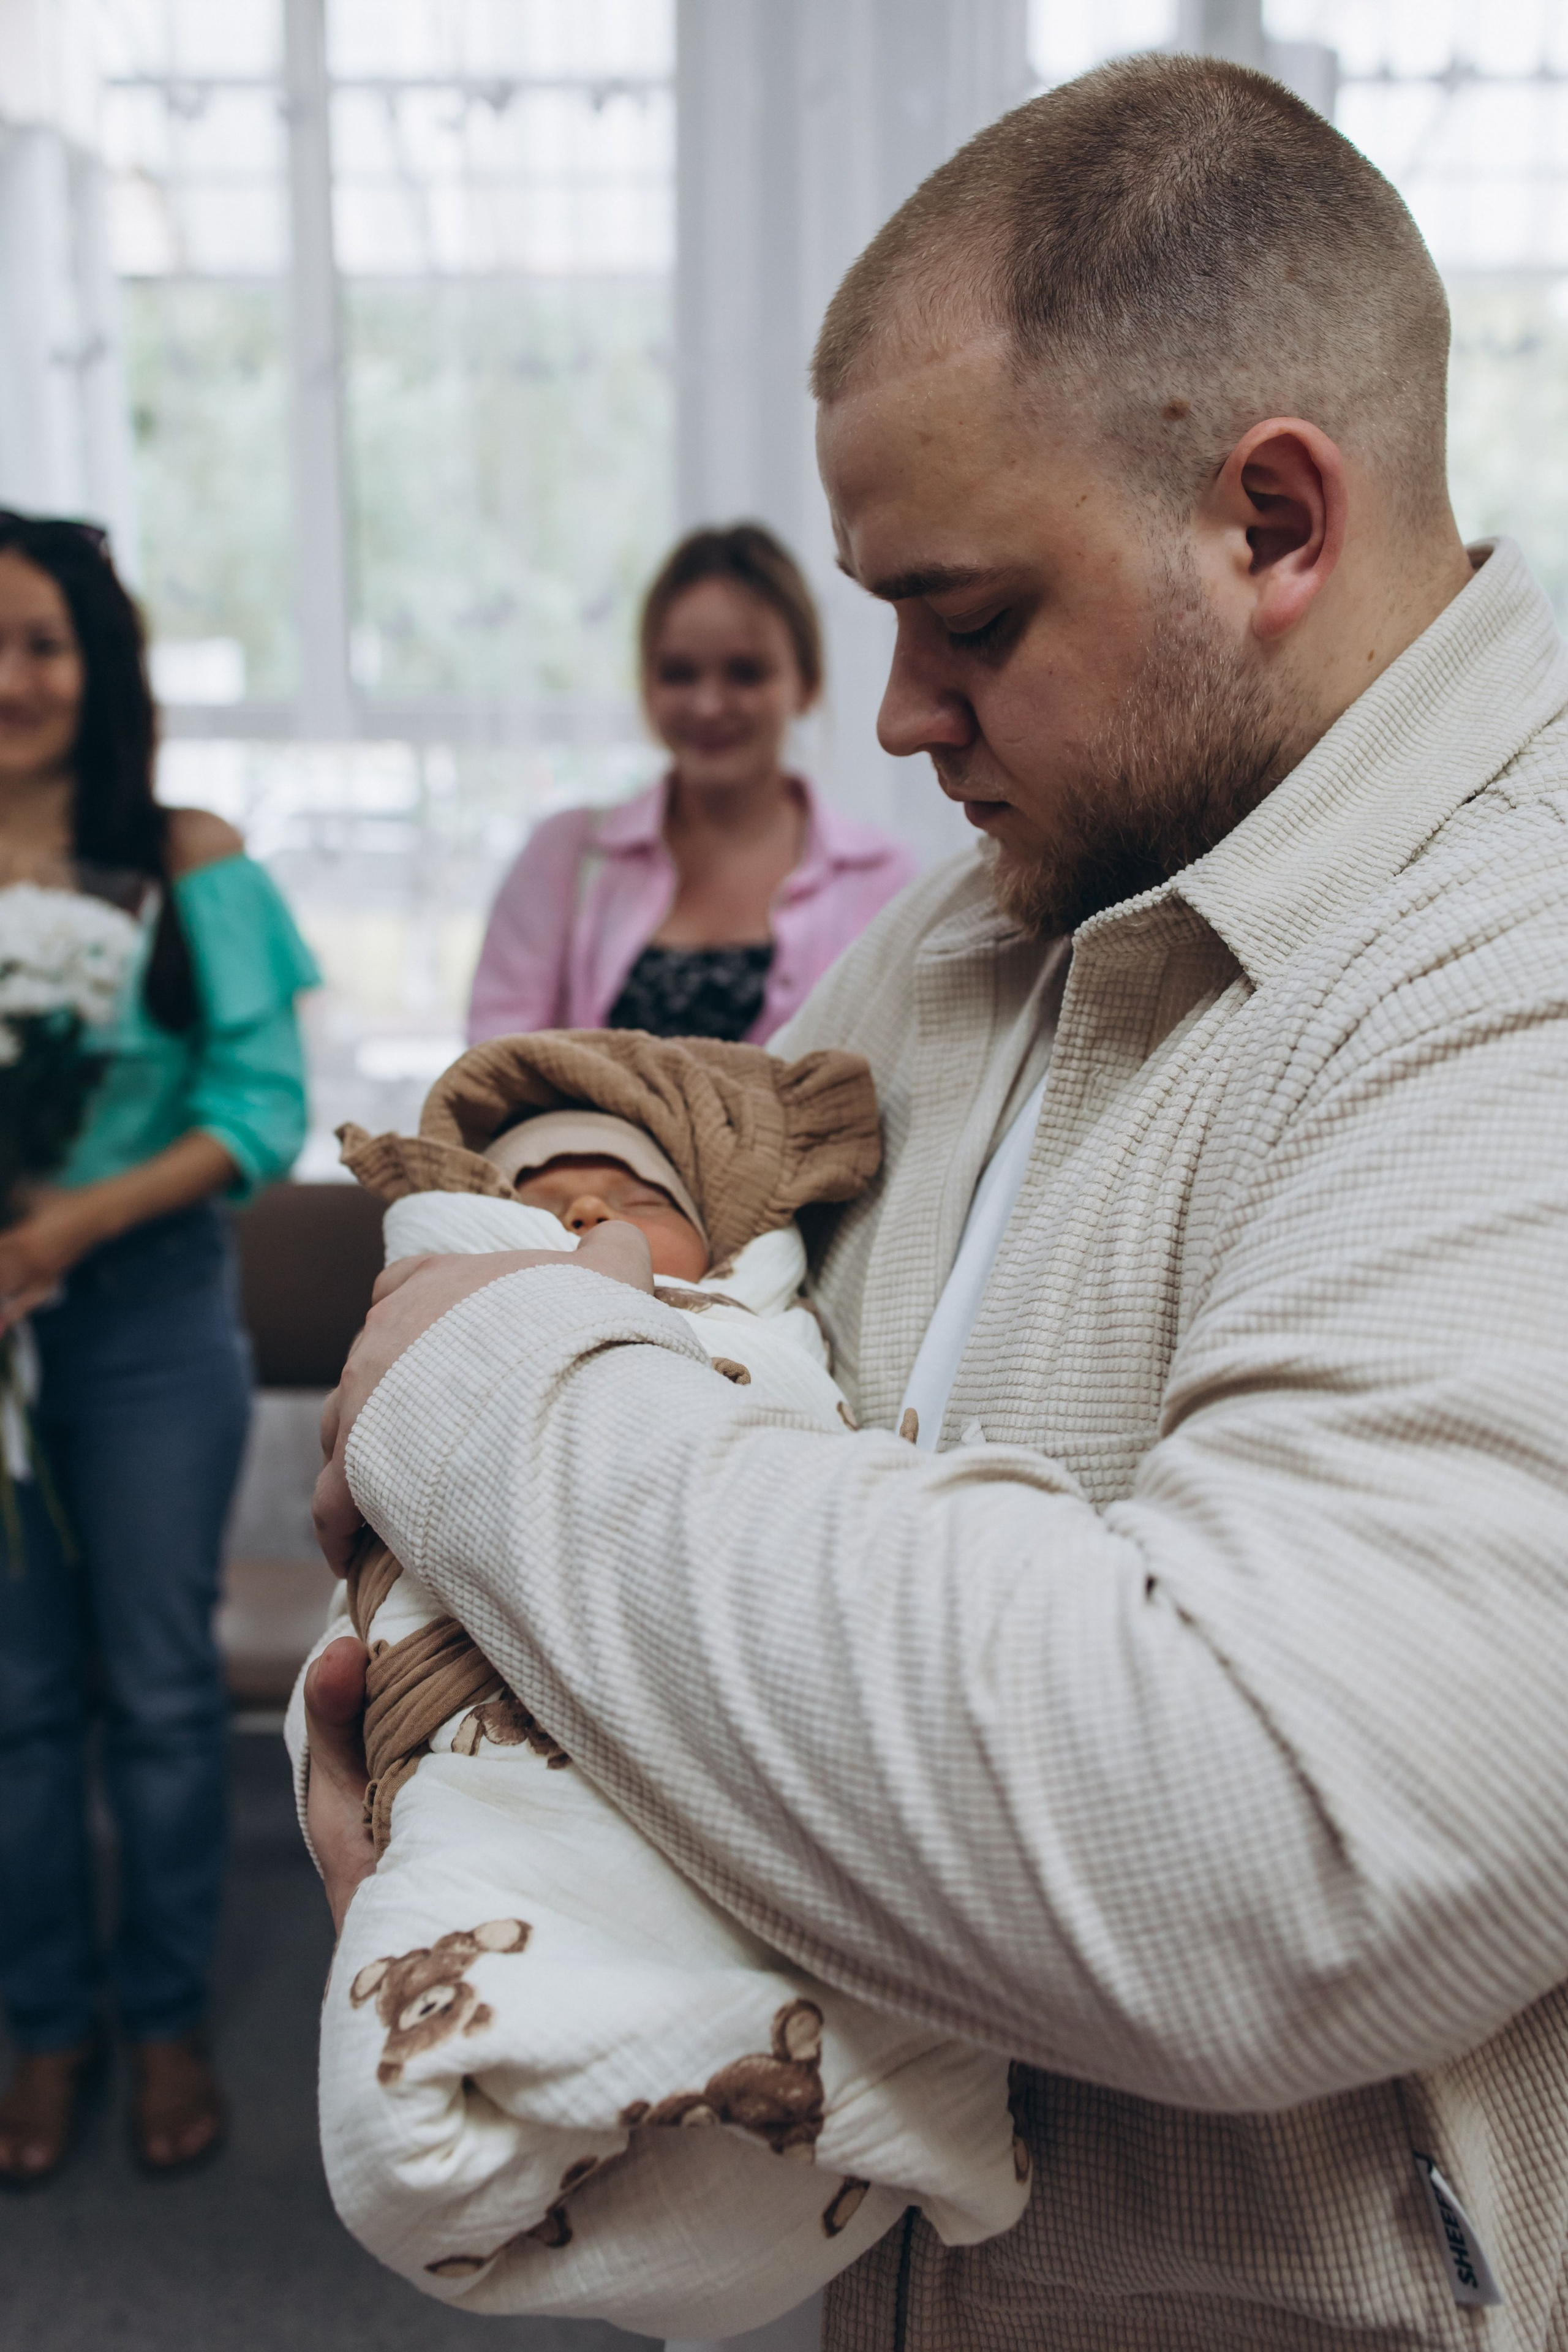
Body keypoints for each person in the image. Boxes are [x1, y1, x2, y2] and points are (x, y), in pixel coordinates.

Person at [305, 53, 1568, 2352]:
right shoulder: (999, 906)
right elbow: (714, 1259)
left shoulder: (1519, 964)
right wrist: (441, 1707)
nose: (890, 718)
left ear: (1272, 522)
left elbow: (1264, 1844)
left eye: (966, 621)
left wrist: (482, 1405)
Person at [285, 1033, 1024, 2339]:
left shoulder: (754, 1328)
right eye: (532, 1200)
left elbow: (801, 1462)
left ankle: (793, 2053)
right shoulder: (434, 1314)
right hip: (486, 1717)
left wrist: (602, 1300)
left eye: (632, 1201)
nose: (581, 1215)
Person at [0, 513, 318, 2185]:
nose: (14, 677)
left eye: (43, 640)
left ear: (101, 664)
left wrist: (63, 1227)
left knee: (159, 1686)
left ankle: (170, 2013)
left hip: (142, 1322)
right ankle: (47, 2028)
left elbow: (261, 1113)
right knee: (17, 1701)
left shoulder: (190, 852)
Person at [466, 522, 917, 1047]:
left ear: (807, 683)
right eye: (679, 673)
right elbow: (494, 1067)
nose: (708, 705)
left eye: (745, 673)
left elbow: (895, 1089)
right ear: (646, 684)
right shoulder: (563, 855)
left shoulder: (883, 880)